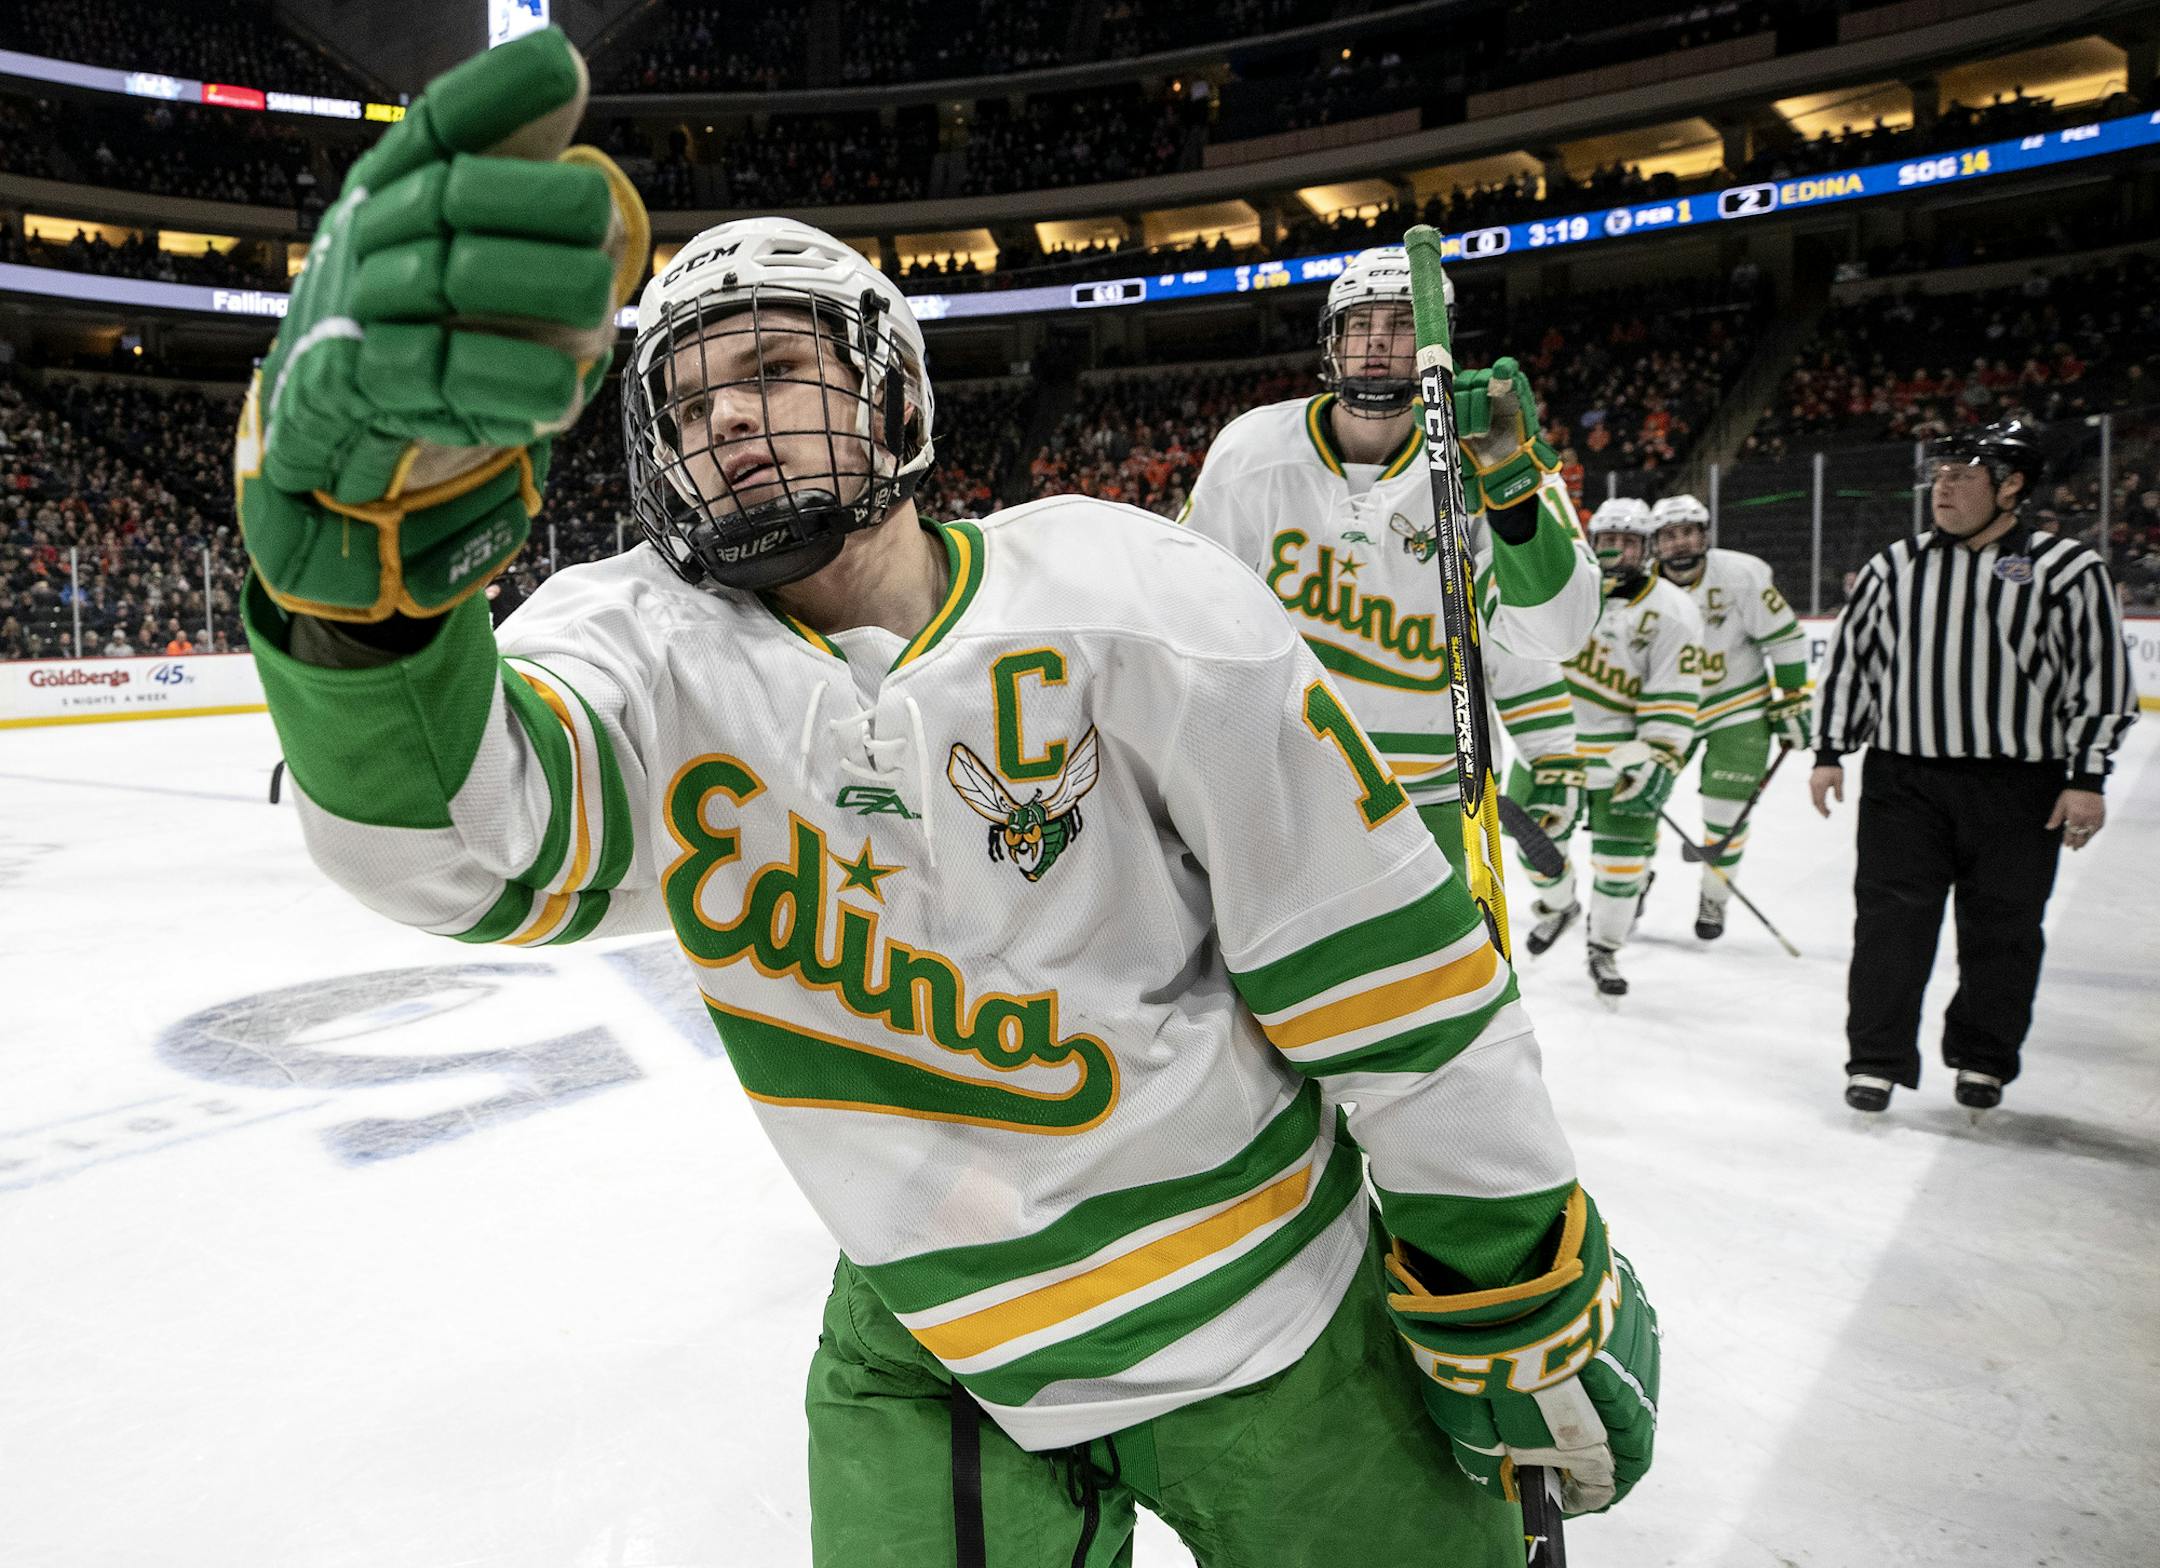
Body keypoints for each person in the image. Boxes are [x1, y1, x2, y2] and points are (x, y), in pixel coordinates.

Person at [233, 33, 1656, 1568]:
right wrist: (363, 623)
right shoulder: (634, 638)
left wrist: (1506, 1272)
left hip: (1269, 1298)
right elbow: (451, 849)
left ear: (893, 389)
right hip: (933, 1333)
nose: (726, 417)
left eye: (775, 368)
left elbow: (1386, 983)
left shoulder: (1129, 594)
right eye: (691, 396)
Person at [1179, 246, 1599, 882]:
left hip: (1432, 804)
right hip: (1279, 787)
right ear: (1333, 341)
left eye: (1402, 325)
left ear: (1439, 344)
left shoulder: (1490, 462)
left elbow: (1553, 637)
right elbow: (1184, 611)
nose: (1377, 342)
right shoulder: (1252, 449)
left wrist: (1513, 498)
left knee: (1441, 985)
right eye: (1359, 325)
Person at [1812, 419, 2137, 1113]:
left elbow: (2100, 680)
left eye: (1964, 473)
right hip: (1905, 780)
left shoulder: (2068, 569)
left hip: (2021, 785)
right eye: (1941, 473)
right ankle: (1875, 1059)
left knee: (2004, 931)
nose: (1944, 486)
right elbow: (1854, 665)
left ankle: (1983, 1058)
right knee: (1889, 927)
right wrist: (1831, 751)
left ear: (2012, 484)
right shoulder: (1893, 566)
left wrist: (2088, 778)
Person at [1513, 498, 1703, 998]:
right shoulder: (1564, 593)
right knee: (1533, 850)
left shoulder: (1672, 610)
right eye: (1607, 541)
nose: (1615, 551)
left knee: (1621, 866)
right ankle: (1560, 905)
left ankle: (1605, 945)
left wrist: (1660, 756)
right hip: (1553, 749)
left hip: (1625, 757)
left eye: (1628, 541)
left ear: (1646, 548)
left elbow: (1673, 696)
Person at [1649, 493, 1807, 939]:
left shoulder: (1742, 574)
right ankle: (1632, 882)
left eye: (1687, 532)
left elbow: (1785, 637)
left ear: (1704, 534)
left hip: (1737, 703)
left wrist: (1791, 698)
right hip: (1668, 710)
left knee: (1725, 811)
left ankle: (1714, 898)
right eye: (1669, 535)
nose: (1679, 543)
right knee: (1637, 802)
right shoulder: (1640, 586)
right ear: (1655, 543)